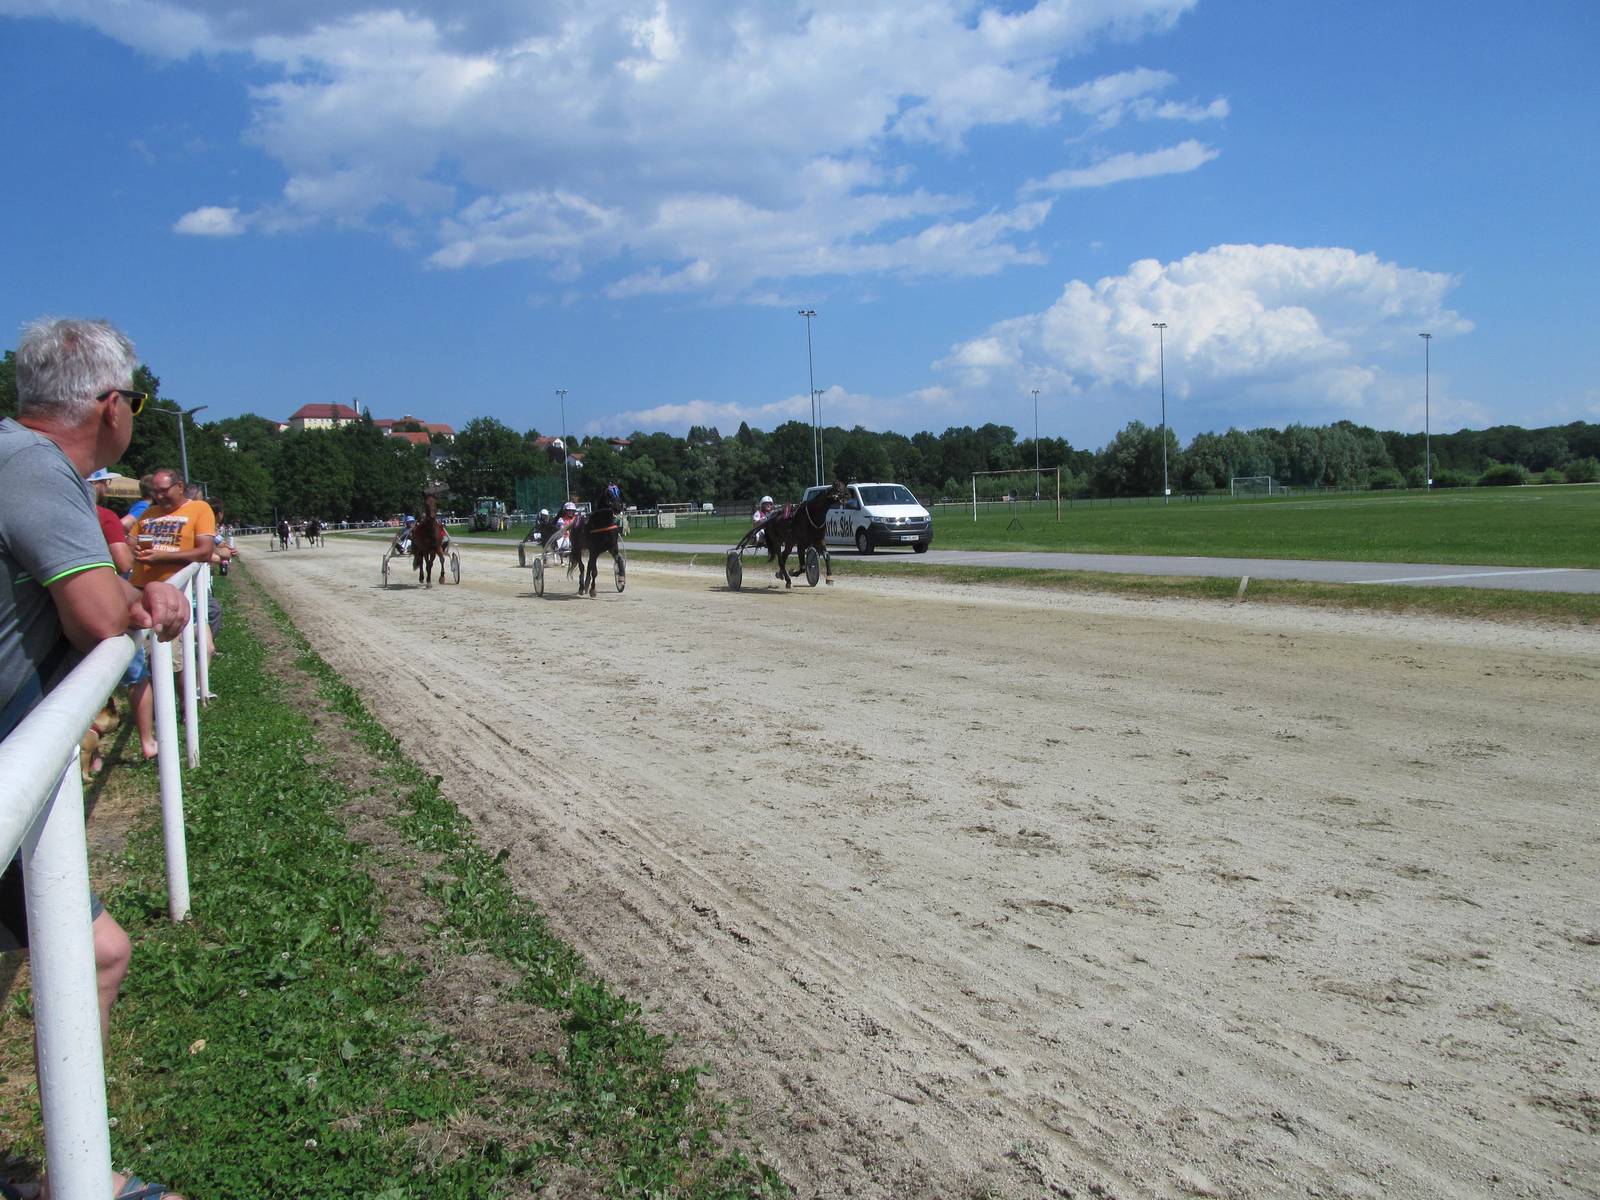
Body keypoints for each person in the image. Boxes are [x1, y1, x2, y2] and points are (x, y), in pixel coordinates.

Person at [1, 316, 189, 1200]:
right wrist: (141, 601)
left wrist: (129, 591)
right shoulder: (38, 469)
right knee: (100, 952)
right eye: (136, 404)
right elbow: (101, 616)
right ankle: (77, 1179)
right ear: (110, 406)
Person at [127, 467, 215, 757]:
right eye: (155, 490)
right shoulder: (148, 514)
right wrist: (133, 550)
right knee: (142, 660)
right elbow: (132, 541)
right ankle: (160, 717)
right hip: (139, 589)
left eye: (165, 490)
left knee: (173, 660)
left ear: (179, 486)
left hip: (172, 593)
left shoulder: (199, 509)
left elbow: (203, 551)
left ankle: (183, 707)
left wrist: (163, 556)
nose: (159, 495)